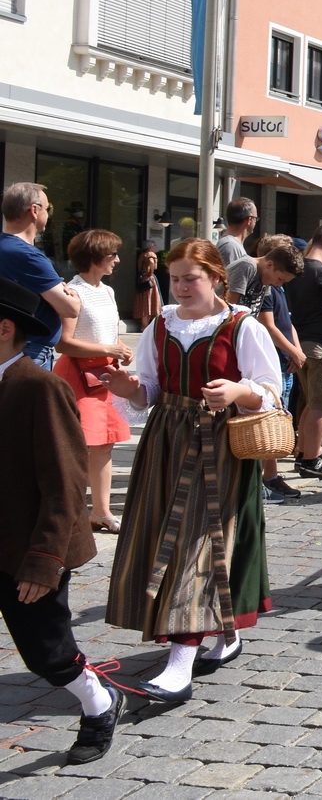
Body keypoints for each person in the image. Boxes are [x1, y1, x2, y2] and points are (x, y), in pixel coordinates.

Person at [103, 239, 281, 703]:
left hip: (219, 446)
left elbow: (270, 391)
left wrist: (238, 392)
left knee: (198, 544)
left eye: (191, 278)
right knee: (167, 536)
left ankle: (179, 666)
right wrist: (128, 388)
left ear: (217, 278)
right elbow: (149, 390)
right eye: (175, 278)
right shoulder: (161, 325)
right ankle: (226, 635)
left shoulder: (241, 326)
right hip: (165, 442)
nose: (181, 287)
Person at [0, 277, 119, 764]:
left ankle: (99, 701)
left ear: (4, 328)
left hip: (27, 548)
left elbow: (66, 483)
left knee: (47, 652)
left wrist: (44, 559)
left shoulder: (40, 388)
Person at [52, 230, 132, 535]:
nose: (117, 260)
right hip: (77, 374)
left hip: (105, 374)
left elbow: (106, 335)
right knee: (77, 444)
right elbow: (64, 342)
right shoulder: (74, 292)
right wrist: (110, 348)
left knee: (105, 443)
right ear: (96, 257)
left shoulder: (108, 291)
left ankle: (101, 511)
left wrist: (119, 349)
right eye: (113, 254)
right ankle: (68, 511)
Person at [226, 236, 305, 503]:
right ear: (269, 264)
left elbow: (259, 318)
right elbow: (229, 309)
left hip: (245, 346)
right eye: (280, 279)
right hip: (231, 346)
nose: (278, 285)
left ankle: (258, 479)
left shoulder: (266, 281)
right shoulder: (247, 267)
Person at [282, 225, 322, 481]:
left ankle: (303, 453)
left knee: (310, 403)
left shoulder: (297, 269)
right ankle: (312, 459)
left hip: (301, 342)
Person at [0, 183, 81, 368]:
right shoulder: (28, 255)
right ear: (34, 210)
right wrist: (74, 297)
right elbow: (70, 309)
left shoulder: (6, 247)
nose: (49, 214)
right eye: (48, 208)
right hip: (30, 351)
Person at [215, 198, 256, 269]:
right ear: (249, 220)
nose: (255, 222)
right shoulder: (230, 246)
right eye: (255, 219)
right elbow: (229, 275)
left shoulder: (231, 244)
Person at [134, 245, 162, 330]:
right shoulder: (150, 254)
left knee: (144, 301)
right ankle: (145, 326)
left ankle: (144, 325)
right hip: (149, 279)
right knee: (149, 301)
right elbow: (151, 262)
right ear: (150, 248)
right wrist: (151, 272)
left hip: (142, 278)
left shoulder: (142, 255)